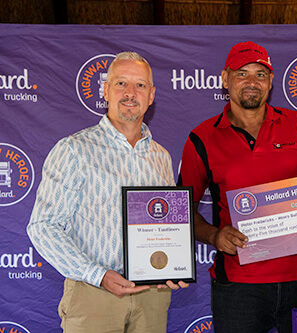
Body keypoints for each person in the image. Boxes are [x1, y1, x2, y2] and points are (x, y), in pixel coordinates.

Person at [27, 51, 187, 332]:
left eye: (140, 85)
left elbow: (164, 227)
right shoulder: (74, 149)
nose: (130, 93)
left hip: (152, 296)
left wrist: (171, 267)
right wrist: (97, 275)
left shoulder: (161, 157)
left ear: (151, 95)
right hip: (94, 295)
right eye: (121, 83)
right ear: (105, 90)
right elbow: (43, 227)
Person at [178, 41, 297, 333]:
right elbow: (182, 212)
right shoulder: (201, 138)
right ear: (225, 79)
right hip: (238, 286)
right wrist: (214, 235)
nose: (251, 82)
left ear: (271, 82)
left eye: (260, 74)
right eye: (242, 73)